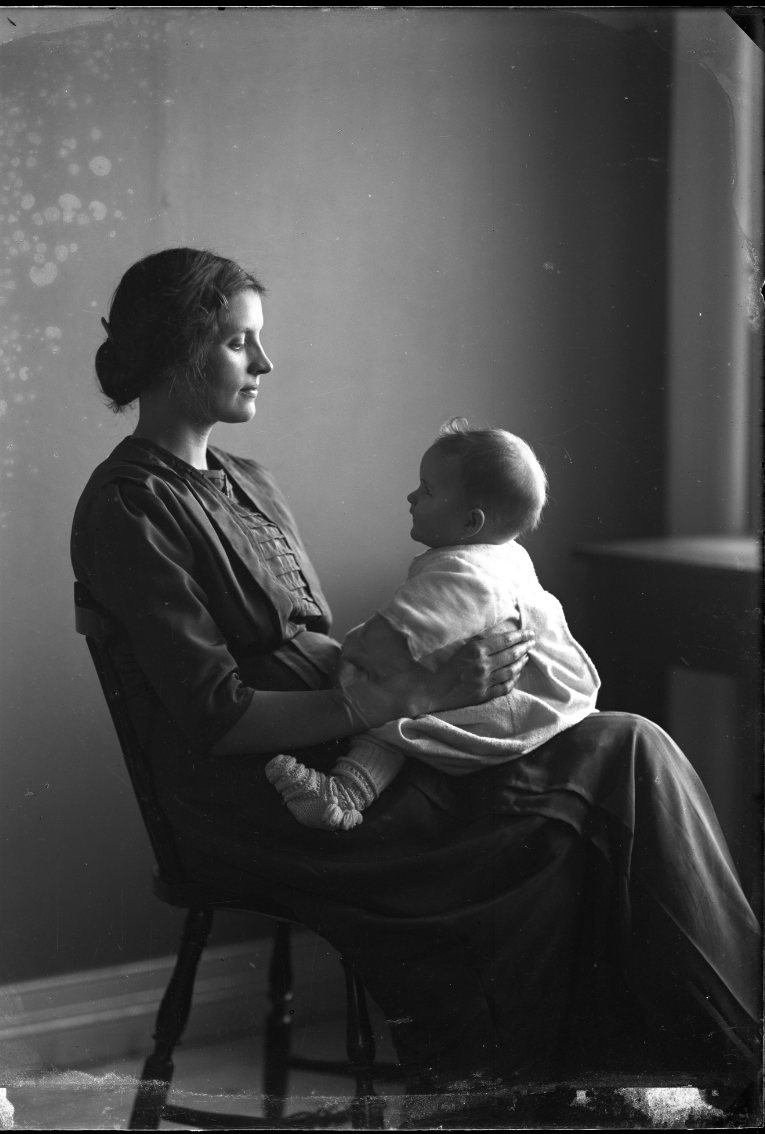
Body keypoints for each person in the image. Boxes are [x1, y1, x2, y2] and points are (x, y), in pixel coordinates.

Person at [71, 247, 760, 1124]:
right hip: (271, 796)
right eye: (240, 343)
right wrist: (410, 695)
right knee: (622, 758)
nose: (265, 363)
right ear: (176, 351)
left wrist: (447, 680)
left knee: (627, 745)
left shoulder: (248, 483)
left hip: (359, 748)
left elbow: (319, 647)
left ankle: (693, 1066)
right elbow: (216, 717)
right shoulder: (130, 505)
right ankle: (704, 1069)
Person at [265, 420, 601, 831]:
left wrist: (351, 661)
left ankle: (343, 793)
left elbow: (381, 642)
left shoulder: (463, 573)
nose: (411, 497)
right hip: (543, 699)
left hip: (506, 711)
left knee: (389, 716)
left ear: (470, 523)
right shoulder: (505, 555)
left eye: (426, 490)